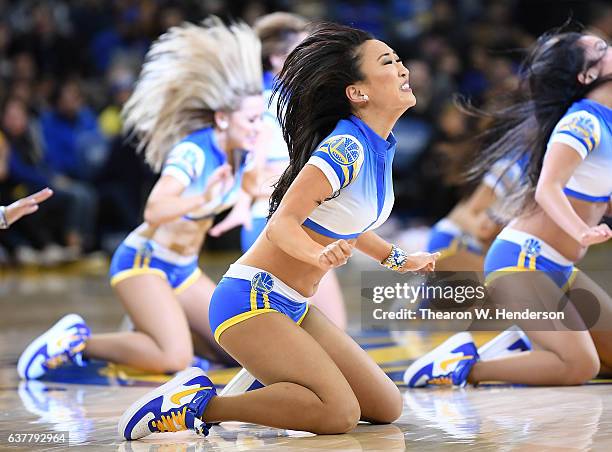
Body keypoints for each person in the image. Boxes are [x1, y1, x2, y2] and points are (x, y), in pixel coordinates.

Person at [118, 21, 440, 440]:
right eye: (387, 61)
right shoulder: (346, 148)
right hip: (250, 300)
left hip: (293, 305)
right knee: (338, 414)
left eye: (398, 59)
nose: (402, 68)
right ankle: (194, 405)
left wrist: (397, 259)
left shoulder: (379, 143)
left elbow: (348, 222)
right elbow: (281, 225)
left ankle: (272, 380)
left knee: (385, 406)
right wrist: (316, 256)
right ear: (358, 92)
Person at [17, 18, 265, 380]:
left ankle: (150, 330)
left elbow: (251, 192)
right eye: (252, 119)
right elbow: (154, 211)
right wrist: (202, 200)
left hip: (183, 271)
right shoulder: (193, 154)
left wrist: (243, 206)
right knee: (173, 359)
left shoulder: (245, 153)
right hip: (144, 263)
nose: (259, 128)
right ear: (223, 119)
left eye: (261, 119)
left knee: (241, 348)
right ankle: (76, 341)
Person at [403, 27, 612, 387]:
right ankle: (460, 367)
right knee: (579, 367)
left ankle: (521, 349)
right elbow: (549, 187)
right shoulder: (584, 120)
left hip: (559, 266)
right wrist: (581, 230)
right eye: (602, 47)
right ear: (587, 75)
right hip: (523, 260)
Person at [210, 12, 348, 330]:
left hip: (289, 220)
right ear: (276, 59)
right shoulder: (261, 105)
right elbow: (256, 175)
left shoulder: (297, 100)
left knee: (310, 331)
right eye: (301, 51)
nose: (312, 60)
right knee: (327, 329)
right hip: (273, 221)